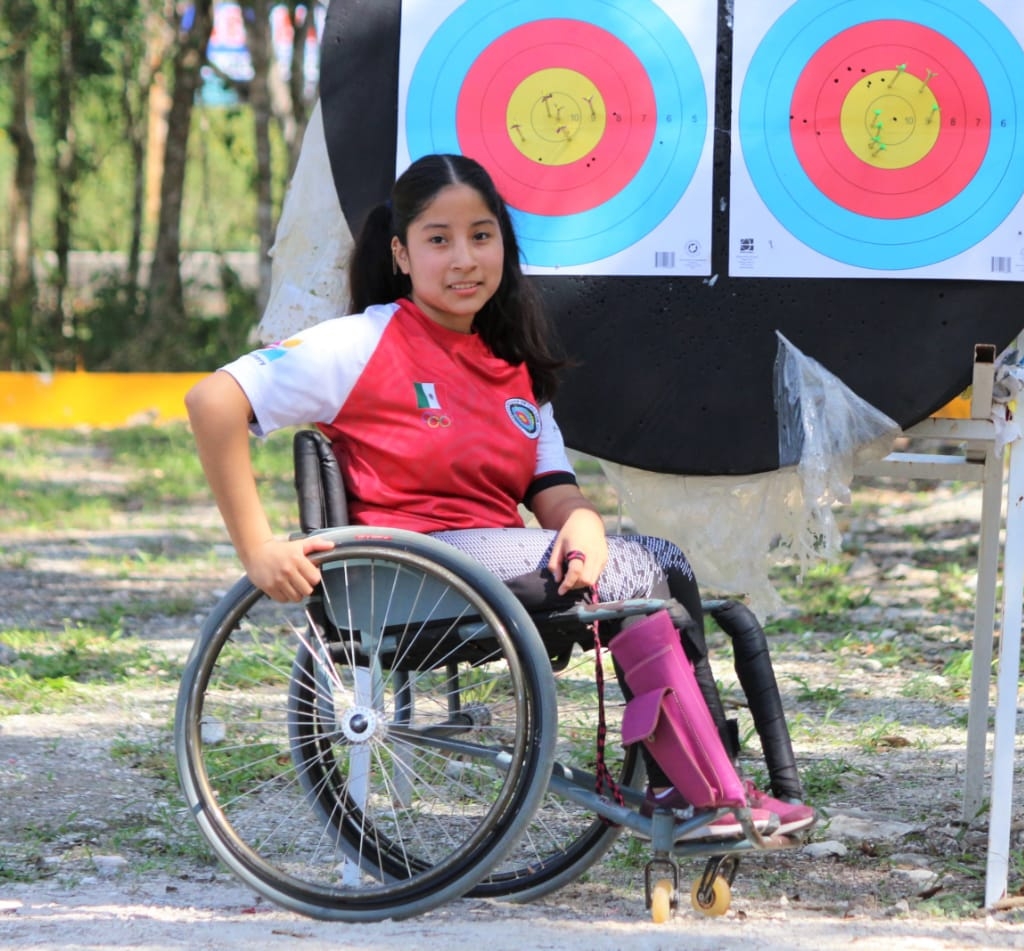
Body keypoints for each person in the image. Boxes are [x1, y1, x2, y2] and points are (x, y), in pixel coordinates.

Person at [185, 152, 813, 839]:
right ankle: (701, 789)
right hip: (405, 577)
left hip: (490, 575)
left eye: (482, 236)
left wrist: (584, 524)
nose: (464, 258)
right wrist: (256, 548)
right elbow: (213, 399)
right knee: (641, 570)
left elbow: (554, 491)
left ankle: (702, 781)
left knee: (661, 559)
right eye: (438, 238)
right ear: (400, 253)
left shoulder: (511, 369)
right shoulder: (361, 342)